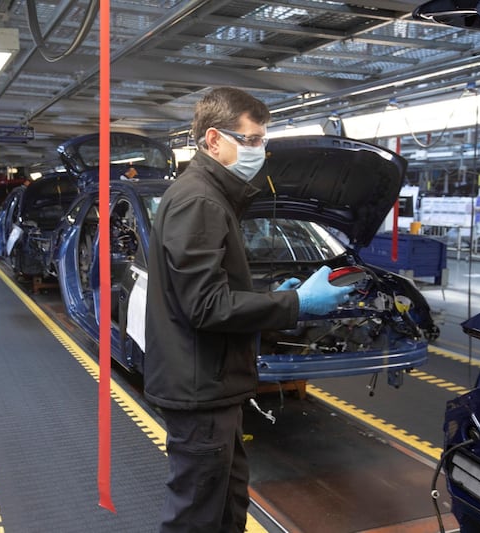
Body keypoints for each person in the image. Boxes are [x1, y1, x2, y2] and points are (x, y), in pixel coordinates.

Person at [144, 87, 352, 533]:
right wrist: (296, 303)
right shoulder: (200, 200)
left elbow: (212, 286)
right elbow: (205, 305)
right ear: (215, 140)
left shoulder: (211, 195)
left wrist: (271, 292)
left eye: (263, 141)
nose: (261, 150)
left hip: (214, 383)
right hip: (201, 386)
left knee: (225, 505)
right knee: (196, 518)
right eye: (252, 140)